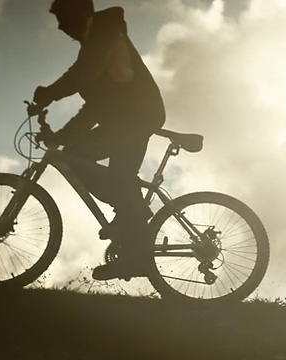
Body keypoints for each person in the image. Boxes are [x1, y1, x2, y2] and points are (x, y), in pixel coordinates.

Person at [33, 0, 166, 280]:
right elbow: (91, 109)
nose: (59, 26)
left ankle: (138, 255)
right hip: (122, 119)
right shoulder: (93, 44)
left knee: (119, 176)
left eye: (62, 18)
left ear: (77, 12)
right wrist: (59, 136)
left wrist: (50, 93)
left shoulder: (105, 29)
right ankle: (131, 207)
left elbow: (84, 71)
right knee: (76, 155)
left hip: (136, 116)